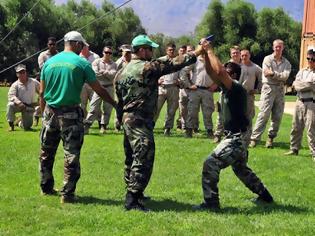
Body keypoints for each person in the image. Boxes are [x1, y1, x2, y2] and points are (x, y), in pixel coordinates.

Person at [115, 34, 203, 211]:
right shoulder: (147, 67)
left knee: (131, 156)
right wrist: (199, 50)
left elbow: (119, 101)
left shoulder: (121, 72)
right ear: (142, 50)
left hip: (127, 118)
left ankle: (135, 192)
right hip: (140, 118)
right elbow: (174, 63)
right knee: (143, 156)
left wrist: (119, 120)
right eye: (150, 49)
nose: (152, 52)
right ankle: (132, 199)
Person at [194, 39, 273, 210]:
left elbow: (220, 71)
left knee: (211, 163)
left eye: (227, 72)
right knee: (241, 169)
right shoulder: (226, 88)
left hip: (237, 138)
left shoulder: (236, 88)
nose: (222, 74)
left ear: (234, 75)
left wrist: (209, 49)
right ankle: (265, 196)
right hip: (238, 136)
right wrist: (206, 57)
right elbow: (213, 72)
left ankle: (211, 204)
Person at [39, 31, 116, 203]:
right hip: (70, 116)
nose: (81, 48)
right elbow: (99, 89)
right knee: (71, 155)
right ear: (76, 44)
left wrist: (43, 113)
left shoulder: (48, 63)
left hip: (49, 113)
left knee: (46, 152)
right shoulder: (82, 63)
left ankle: (46, 188)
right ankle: (67, 194)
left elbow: (42, 92)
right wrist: (115, 103)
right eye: (81, 45)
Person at [250, 39, 291, 148]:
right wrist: (278, 76)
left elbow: (285, 77)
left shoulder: (287, 63)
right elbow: (266, 73)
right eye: (276, 46)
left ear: (283, 48)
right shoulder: (267, 59)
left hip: (280, 91)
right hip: (268, 89)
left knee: (277, 116)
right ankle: (254, 138)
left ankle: (270, 138)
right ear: (273, 47)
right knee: (263, 114)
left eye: (280, 47)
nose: (278, 48)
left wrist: (273, 73)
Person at [284, 49, 315, 160]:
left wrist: (303, 85)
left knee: (311, 128)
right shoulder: (302, 71)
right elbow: (295, 85)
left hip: (311, 103)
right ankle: (294, 149)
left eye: (312, 59)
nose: (310, 61)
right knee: (296, 126)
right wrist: (306, 85)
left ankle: (314, 153)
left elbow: (313, 86)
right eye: (308, 58)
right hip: (299, 101)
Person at [84, 46, 117, 134]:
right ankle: (86, 126)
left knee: (107, 109)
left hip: (109, 87)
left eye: (110, 53)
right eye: (106, 52)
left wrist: (104, 72)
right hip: (99, 87)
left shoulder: (114, 64)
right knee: (93, 107)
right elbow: (95, 74)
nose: (108, 54)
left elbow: (113, 75)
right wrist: (107, 73)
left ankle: (103, 127)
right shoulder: (96, 62)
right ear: (103, 52)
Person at [213, 46, 242, 143]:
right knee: (221, 115)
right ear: (231, 54)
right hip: (225, 93)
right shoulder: (225, 65)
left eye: (237, 52)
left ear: (240, 53)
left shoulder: (245, 65)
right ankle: (217, 135)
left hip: (238, 94)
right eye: (233, 53)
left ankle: (234, 135)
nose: (235, 54)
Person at [184, 54, 217, 138]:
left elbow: (219, 72)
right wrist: (188, 85)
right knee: (192, 111)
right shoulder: (195, 60)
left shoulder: (212, 60)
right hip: (195, 90)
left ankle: (209, 131)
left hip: (208, 90)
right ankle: (189, 130)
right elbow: (184, 71)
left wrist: (215, 84)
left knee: (208, 112)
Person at [154, 43, 180, 136]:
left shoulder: (178, 61)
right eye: (170, 50)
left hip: (173, 87)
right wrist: (156, 80)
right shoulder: (160, 60)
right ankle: (151, 126)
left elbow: (183, 73)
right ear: (166, 50)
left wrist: (180, 81)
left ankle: (167, 128)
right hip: (161, 87)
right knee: (156, 108)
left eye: (173, 50)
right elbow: (153, 72)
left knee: (171, 110)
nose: (171, 51)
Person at [239, 49, 262, 147]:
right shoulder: (238, 66)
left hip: (248, 95)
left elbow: (262, 80)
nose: (244, 57)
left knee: (248, 117)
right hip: (237, 95)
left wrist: (257, 90)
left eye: (246, 55)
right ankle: (238, 138)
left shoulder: (256, 68)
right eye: (242, 55)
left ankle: (247, 139)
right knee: (237, 115)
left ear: (250, 55)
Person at [6, 64, 40, 131]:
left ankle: (19, 122)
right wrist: (19, 102)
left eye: (23, 72)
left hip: (29, 107)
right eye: (20, 73)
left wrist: (39, 100)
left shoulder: (34, 82)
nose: (22, 74)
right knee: (10, 105)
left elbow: (42, 91)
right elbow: (11, 95)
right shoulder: (15, 85)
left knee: (27, 127)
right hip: (19, 105)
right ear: (17, 74)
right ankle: (11, 126)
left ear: (26, 73)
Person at [79, 43, 100, 118]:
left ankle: (100, 122)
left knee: (95, 103)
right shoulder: (78, 56)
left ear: (88, 47)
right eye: (82, 47)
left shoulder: (95, 56)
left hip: (93, 83)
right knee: (82, 104)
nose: (83, 48)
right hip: (82, 84)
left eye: (84, 47)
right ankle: (84, 120)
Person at [178, 45, 194, 131]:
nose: (189, 52)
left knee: (193, 108)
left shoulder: (196, 61)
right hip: (183, 88)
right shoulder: (182, 62)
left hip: (193, 88)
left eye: (191, 50)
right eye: (188, 50)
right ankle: (183, 126)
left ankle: (194, 127)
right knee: (183, 109)